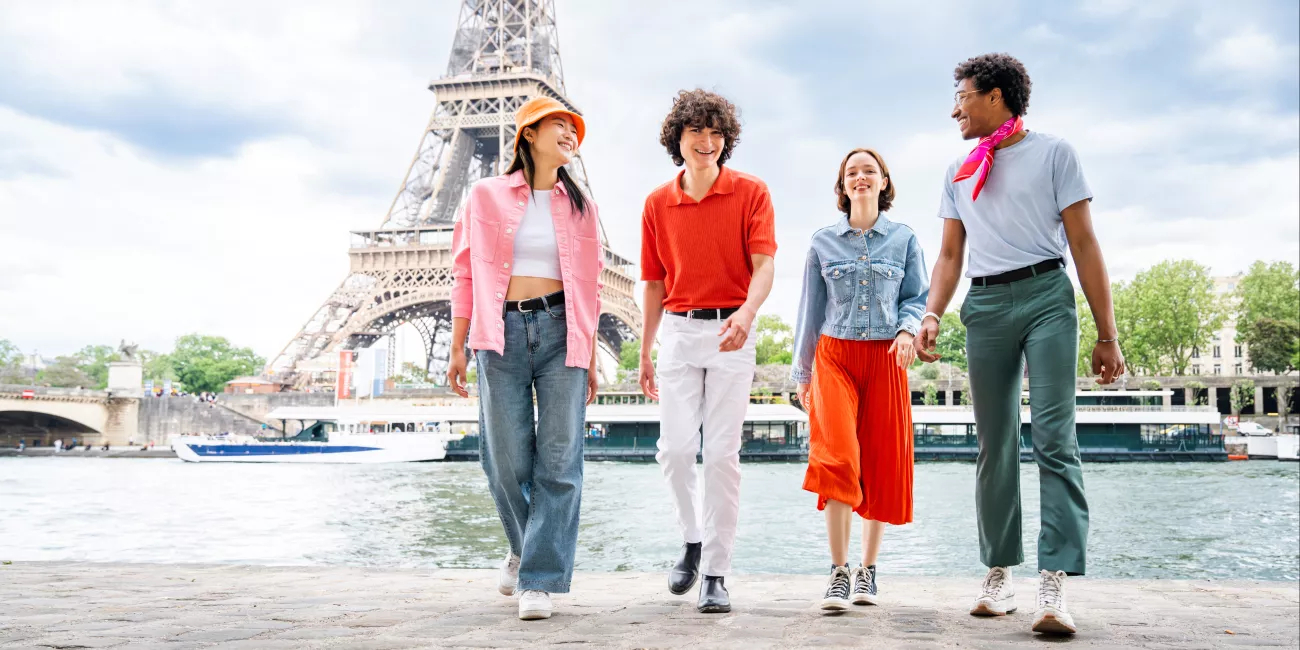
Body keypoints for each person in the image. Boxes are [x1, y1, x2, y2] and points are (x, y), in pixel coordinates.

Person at [914, 53, 1125, 636]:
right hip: (983, 307)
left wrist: (1108, 335)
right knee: (995, 444)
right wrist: (931, 314)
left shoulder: (1056, 153)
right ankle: (1000, 572)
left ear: (996, 96)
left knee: (1056, 438)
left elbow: (1083, 242)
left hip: (1047, 297)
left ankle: (1054, 581)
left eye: (962, 95)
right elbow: (951, 254)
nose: (953, 107)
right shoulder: (959, 168)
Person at [447, 96, 602, 622]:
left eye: (574, 128)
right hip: (501, 331)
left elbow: (591, 286)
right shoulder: (484, 195)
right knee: (506, 458)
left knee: (561, 462)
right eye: (559, 124)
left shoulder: (581, 206)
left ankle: (538, 578)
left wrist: (593, 354)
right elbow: (465, 273)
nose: (569, 133)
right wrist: (457, 345)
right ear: (529, 135)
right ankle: (525, 546)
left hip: (564, 332)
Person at [638, 89, 777, 613]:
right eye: (696, 130)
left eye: (716, 132)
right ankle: (692, 539)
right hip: (677, 330)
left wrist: (746, 314)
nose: (707, 140)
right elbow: (653, 284)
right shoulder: (657, 203)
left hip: (732, 333)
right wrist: (646, 350)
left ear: (727, 140)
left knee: (721, 455)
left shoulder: (751, 192)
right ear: (678, 138)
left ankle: (717, 572)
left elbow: (764, 266)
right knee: (674, 452)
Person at [790, 147, 929, 612]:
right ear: (843, 186)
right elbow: (809, 312)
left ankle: (868, 571)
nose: (861, 177)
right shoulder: (822, 241)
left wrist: (909, 330)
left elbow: (917, 297)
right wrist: (802, 373)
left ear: (884, 181)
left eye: (869, 170)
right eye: (852, 172)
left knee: (879, 462)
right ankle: (838, 571)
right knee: (836, 458)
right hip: (835, 355)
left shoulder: (905, 239)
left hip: (887, 356)